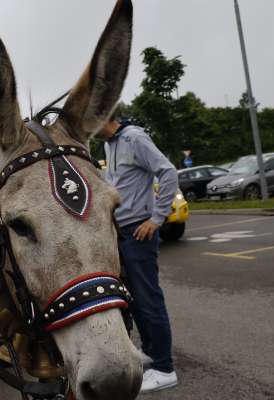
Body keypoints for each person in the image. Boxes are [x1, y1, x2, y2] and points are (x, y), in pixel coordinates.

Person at [98, 116, 179, 393]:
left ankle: (165, 368)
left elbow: (168, 172)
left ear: (103, 116)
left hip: (138, 230)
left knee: (148, 300)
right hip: (122, 232)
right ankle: (150, 357)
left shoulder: (134, 138)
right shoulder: (110, 145)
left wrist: (157, 218)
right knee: (134, 301)